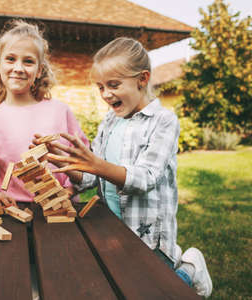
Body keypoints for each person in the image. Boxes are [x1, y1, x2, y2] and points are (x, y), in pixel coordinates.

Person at [46, 37, 212, 298]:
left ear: (142, 78)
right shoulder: (109, 122)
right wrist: (67, 163)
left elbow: (146, 178)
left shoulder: (163, 121)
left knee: (157, 291)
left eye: (114, 85)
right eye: (100, 87)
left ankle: (190, 270)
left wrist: (96, 164)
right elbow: (89, 179)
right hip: (112, 231)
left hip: (149, 236)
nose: (106, 94)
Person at [0, 19, 88, 210]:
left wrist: (70, 189)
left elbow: (82, 161)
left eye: (28, 61)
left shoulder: (60, 112)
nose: (18, 68)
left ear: (39, 70)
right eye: (10, 59)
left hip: (61, 208)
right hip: (14, 211)